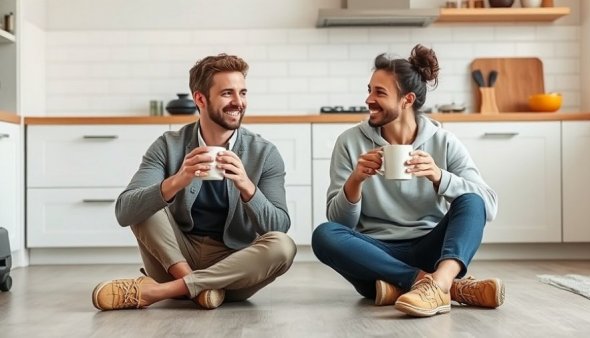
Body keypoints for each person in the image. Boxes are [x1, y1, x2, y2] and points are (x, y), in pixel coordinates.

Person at [92, 53, 296, 311]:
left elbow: (278, 226)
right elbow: (124, 212)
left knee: (284, 246)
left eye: (243, 93)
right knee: (143, 202)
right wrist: (175, 182)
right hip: (174, 257)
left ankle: (164, 291)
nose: (238, 102)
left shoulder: (265, 154)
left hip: (233, 268)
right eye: (227, 94)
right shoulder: (168, 145)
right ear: (200, 98)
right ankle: (196, 286)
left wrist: (247, 187)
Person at [311, 44, 503, 317]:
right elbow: (340, 224)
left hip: (430, 248)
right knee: (323, 235)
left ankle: (430, 282)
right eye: (369, 90)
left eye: (380, 92)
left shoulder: (444, 142)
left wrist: (440, 177)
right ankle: (443, 286)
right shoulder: (349, 142)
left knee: (473, 199)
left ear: (407, 100)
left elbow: (489, 205)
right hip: (376, 257)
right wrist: (355, 181)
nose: (368, 100)